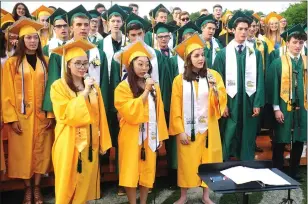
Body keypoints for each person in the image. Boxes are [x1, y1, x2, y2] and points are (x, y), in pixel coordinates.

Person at [49, 39, 112, 204]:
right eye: (77, 63)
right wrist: (84, 93)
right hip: (69, 142)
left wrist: (103, 141)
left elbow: (101, 116)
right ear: (68, 64)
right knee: (67, 184)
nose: (82, 67)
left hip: (90, 144)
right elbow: (66, 115)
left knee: (84, 184)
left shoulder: (93, 86)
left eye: (85, 63)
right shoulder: (58, 86)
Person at [169, 33, 227, 204]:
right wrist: (179, 131)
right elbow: (175, 108)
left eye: (202, 54)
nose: (201, 58)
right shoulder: (179, 80)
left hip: (208, 128)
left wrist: (216, 91)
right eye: (196, 55)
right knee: (187, 162)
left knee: (208, 162)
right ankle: (183, 196)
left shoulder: (213, 76)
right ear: (188, 59)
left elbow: (221, 102)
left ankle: (206, 196)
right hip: (188, 129)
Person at [2, 18, 54, 204]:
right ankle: (27, 189)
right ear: (22, 41)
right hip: (21, 116)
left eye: (35, 38)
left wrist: (50, 113)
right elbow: (6, 91)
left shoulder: (46, 62)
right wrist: (11, 118)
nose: (33, 41)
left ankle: (38, 188)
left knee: (41, 152)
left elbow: (51, 91)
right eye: (29, 38)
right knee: (23, 154)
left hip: (42, 116)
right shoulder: (12, 63)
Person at [114, 40, 168, 204]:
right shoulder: (123, 87)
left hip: (149, 136)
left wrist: (160, 136)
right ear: (131, 65)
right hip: (131, 136)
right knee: (130, 171)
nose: (144, 68)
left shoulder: (154, 86)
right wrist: (145, 92)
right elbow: (129, 112)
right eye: (140, 64)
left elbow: (159, 113)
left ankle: (143, 202)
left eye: (147, 64)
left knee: (147, 171)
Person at [213, 12, 265, 161]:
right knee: (229, 132)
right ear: (233, 30)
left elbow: (259, 79)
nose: (243, 32)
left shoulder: (254, 53)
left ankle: (246, 165)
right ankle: (225, 165)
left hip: (249, 101)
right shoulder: (223, 54)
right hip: (231, 101)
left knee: (247, 132)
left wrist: (257, 103)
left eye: (246, 29)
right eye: (240, 29)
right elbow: (217, 82)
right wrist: (223, 105)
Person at [42, 5, 109, 117]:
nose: (83, 28)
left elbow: (104, 84)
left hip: (93, 106)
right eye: (79, 24)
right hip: (68, 108)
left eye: (86, 25)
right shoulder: (59, 53)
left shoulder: (100, 54)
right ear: (71, 28)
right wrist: (51, 112)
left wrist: (104, 108)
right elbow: (53, 81)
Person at [266, 25, 307, 181]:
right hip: (283, 106)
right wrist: (276, 108)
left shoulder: (306, 62)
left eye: (301, 43)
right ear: (287, 43)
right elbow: (272, 86)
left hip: (303, 107)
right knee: (281, 139)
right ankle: (277, 171)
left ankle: (294, 171)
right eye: (295, 42)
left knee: (299, 138)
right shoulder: (278, 63)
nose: (297, 46)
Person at [164, 22, 202, 188]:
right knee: (177, 149)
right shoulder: (172, 62)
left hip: (199, 114)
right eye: (185, 40)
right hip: (179, 109)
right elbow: (167, 85)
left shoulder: (203, 66)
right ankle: (176, 178)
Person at [101, 4, 128, 81]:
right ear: (108, 23)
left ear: (123, 23)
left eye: (118, 21)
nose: (116, 24)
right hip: (108, 82)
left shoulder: (129, 43)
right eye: (113, 21)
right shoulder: (101, 44)